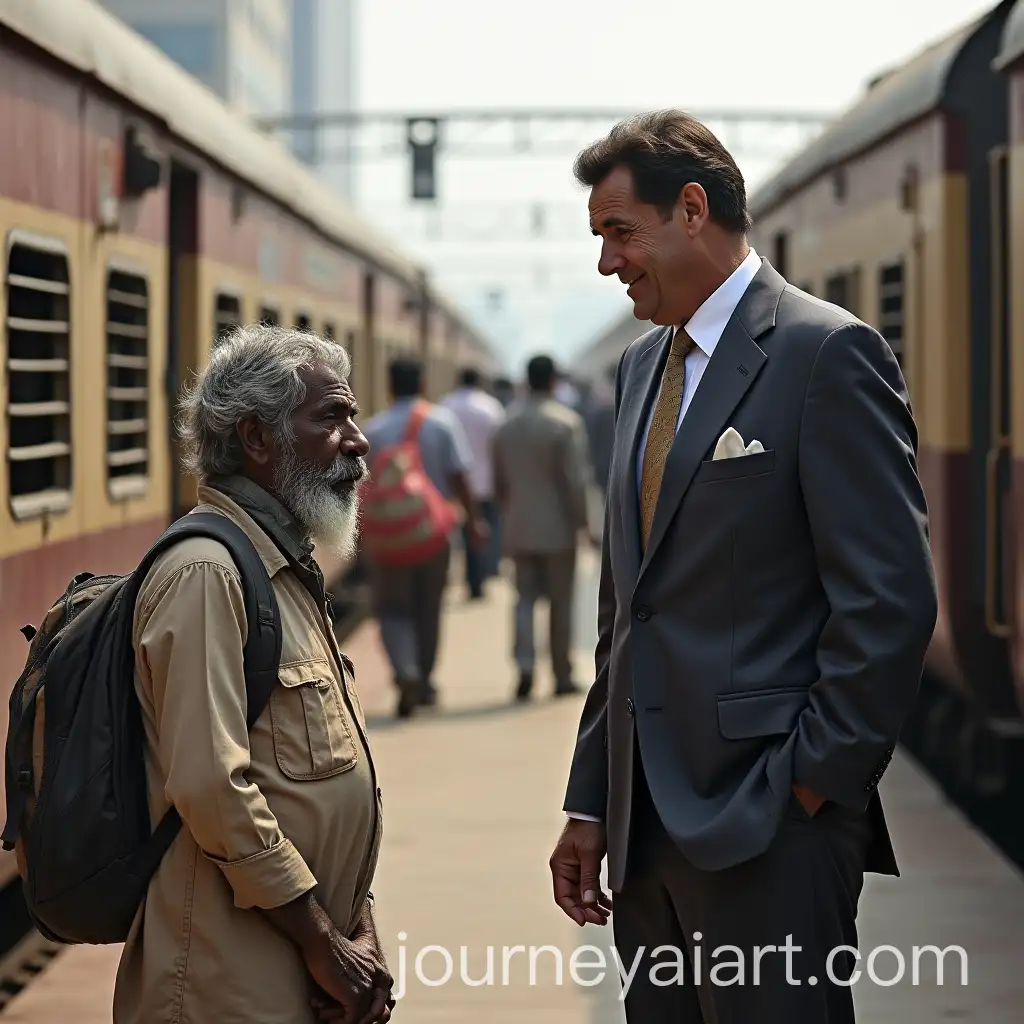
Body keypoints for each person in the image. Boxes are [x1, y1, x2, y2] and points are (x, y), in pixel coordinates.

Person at [549, 110, 938, 1023]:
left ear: (692, 209)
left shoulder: (826, 353)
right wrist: (590, 799)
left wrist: (808, 785)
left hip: (769, 827)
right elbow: (626, 614)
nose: (608, 263)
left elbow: (887, 602)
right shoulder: (643, 367)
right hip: (644, 832)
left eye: (619, 232)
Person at [114, 325, 393, 1024]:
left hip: (290, 962)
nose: (358, 440)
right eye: (331, 417)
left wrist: (360, 931)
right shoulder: (208, 574)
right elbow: (212, 784)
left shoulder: (281, 564)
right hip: (225, 978)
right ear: (259, 438)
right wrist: (324, 940)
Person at [362, 358, 487, 716]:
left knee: (392, 608)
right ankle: (426, 681)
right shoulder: (441, 423)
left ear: (389, 386)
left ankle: (405, 671)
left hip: (388, 538)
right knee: (428, 608)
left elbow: (359, 486)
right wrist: (474, 521)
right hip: (434, 535)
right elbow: (460, 476)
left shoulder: (374, 429)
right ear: (422, 385)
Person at [492, 354, 593, 701]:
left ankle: (524, 666)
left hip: (519, 526)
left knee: (523, 600)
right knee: (561, 603)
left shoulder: (507, 424)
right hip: (558, 530)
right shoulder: (565, 423)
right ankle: (561, 673)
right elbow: (575, 483)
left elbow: (499, 483)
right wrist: (585, 524)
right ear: (553, 381)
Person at [441, 366, 505, 598]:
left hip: (455, 484)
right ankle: (483, 575)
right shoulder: (491, 408)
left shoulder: (446, 406)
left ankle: (471, 578)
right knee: (484, 530)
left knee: (463, 534)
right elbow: (500, 447)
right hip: (486, 481)